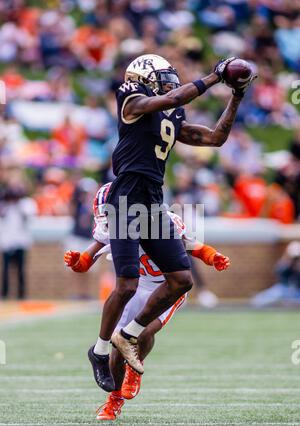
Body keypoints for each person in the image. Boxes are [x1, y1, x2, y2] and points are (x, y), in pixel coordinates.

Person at [88, 53, 255, 391]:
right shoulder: (131, 99)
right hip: (125, 199)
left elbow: (214, 138)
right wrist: (215, 76)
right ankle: (99, 350)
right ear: (143, 78)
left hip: (151, 201)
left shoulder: (169, 113)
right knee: (127, 286)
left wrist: (236, 96)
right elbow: (175, 97)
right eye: (162, 77)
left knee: (181, 279)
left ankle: (129, 334)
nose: (169, 81)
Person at [64, 183, 230, 420]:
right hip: (137, 283)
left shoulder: (162, 221)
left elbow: (190, 244)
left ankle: (136, 364)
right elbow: (88, 257)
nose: (110, 222)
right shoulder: (112, 227)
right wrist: (78, 262)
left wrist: (210, 255)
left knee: (141, 333)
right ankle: (114, 399)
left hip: (166, 286)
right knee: (118, 345)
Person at [0, 183, 37, 299]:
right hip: (7, 241)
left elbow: (27, 217)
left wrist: (18, 204)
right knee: (5, 270)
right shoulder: (4, 204)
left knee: (21, 270)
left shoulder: (26, 203)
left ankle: (21, 295)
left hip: (21, 241)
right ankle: (4, 294)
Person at [251, 241, 300, 307]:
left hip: (297, 292)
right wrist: (288, 263)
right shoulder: (286, 263)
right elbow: (278, 273)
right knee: (273, 293)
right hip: (284, 290)